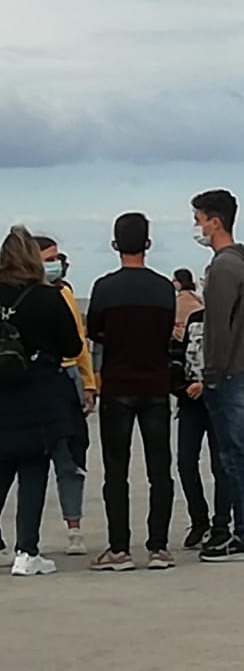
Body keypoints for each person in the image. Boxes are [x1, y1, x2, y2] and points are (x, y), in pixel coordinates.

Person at [86, 212, 178, 570]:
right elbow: (167, 330)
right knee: (160, 469)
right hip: (155, 384)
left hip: (118, 384)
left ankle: (119, 548)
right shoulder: (162, 288)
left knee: (116, 470)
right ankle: (158, 546)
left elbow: (94, 329)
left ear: (114, 245)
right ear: (148, 244)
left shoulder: (104, 287)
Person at [1, 226, 84, 576]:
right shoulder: (47, 297)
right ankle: (27, 551)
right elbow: (73, 346)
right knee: (34, 468)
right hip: (38, 391)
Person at [191, 189, 244, 561]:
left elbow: (217, 328)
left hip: (229, 372)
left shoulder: (223, 267)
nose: (197, 227)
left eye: (199, 220)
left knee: (233, 455)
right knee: (239, 454)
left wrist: (211, 375)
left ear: (215, 221)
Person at [34, 235, 95, 555]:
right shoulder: (21, 296)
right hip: (32, 378)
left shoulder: (66, 293)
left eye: (58, 258)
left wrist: (88, 383)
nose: (56, 264)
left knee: (70, 457)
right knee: (23, 458)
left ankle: (74, 527)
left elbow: (80, 341)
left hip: (68, 373)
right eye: (49, 258)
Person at [174, 299, 230, 552]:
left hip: (220, 399)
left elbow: (235, 360)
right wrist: (181, 386)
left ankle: (221, 524)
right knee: (186, 462)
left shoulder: (233, 320)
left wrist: (207, 383)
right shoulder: (195, 318)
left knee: (222, 464)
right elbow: (182, 353)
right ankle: (198, 520)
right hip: (190, 402)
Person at [173, 268, 203, 339]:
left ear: (180, 281)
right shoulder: (198, 298)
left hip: (182, 335)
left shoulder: (179, 300)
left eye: (174, 280)